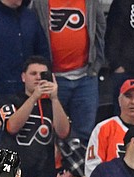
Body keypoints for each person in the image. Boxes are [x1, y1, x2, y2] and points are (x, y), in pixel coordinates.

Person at [0, 56, 71, 177]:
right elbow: (11, 127)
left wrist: (54, 98)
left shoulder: (54, 104)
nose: (38, 77)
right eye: (33, 73)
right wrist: (33, 98)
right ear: (24, 77)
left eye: (43, 74)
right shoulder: (10, 100)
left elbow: (63, 132)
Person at [0, 0, 50, 153]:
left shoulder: (30, 17)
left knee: (24, 138)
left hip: (24, 92)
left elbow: (42, 51)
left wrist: (46, 78)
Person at [31, 0, 106, 150]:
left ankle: (78, 171)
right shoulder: (40, 2)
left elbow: (100, 26)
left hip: (86, 76)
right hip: (53, 78)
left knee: (84, 135)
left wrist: (97, 64)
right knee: (49, 132)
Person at [85, 79, 134, 177]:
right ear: (119, 100)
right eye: (128, 96)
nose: (133, 101)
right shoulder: (103, 128)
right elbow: (92, 170)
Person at [104, 0, 134, 115]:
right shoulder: (122, 2)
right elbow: (111, 32)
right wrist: (116, 65)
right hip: (125, 73)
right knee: (123, 123)